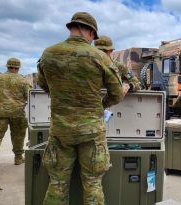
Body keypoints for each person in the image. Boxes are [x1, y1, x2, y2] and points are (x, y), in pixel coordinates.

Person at [38, 12, 123, 205]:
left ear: (72, 27)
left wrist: (62, 97)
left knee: (57, 183)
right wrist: (99, 104)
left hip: (60, 131)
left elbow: (44, 85)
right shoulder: (100, 57)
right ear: (91, 32)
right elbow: (117, 93)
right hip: (91, 132)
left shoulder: (48, 53)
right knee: (93, 184)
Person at [0, 58, 30, 165]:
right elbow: (29, 96)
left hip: (0, 113)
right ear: (18, 68)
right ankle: (18, 158)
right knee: (18, 136)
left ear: (7, 66)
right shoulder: (23, 80)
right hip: (18, 113)